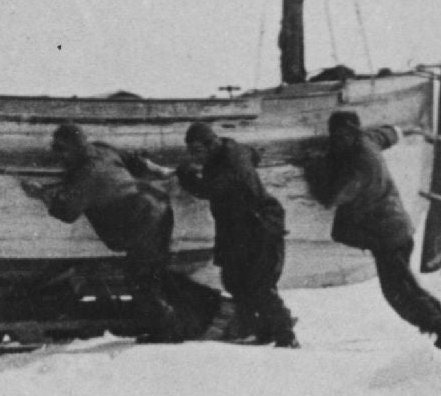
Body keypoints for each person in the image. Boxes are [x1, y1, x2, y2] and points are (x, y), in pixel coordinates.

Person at [302, 109, 441, 346]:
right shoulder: (365, 141)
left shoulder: (359, 166)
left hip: (387, 236)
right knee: (404, 288)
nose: (336, 139)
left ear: (352, 133)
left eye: (341, 134)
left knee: (399, 294)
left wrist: (313, 167)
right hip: (392, 231)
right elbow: (386, 135)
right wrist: (408, 130)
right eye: (334, 134)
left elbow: (332, 197)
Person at [28, 122, 200, 341]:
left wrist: (40, 193)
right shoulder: (101, 149)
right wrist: (163, 172)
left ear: (76, 147)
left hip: (142, 223)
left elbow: (66, 211)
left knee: (141, 280)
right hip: (156, 208)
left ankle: (170, 333)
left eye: (61, 150)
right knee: (154, 275)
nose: (57, 155)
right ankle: (182, 321)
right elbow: (136, 163)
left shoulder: (87, 174)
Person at [175, 120, 297, 347]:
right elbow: (252, 154)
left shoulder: (230, 162)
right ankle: (263, 330)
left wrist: (185, 175)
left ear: (211, 144)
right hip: (239, 230)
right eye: (191, 152)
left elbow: (209, 189)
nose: (195, 157)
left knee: (259, 284)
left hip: (260, 226)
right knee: (234, 281)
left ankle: (285, 335)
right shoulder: (233, 150)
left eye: (198, 151)